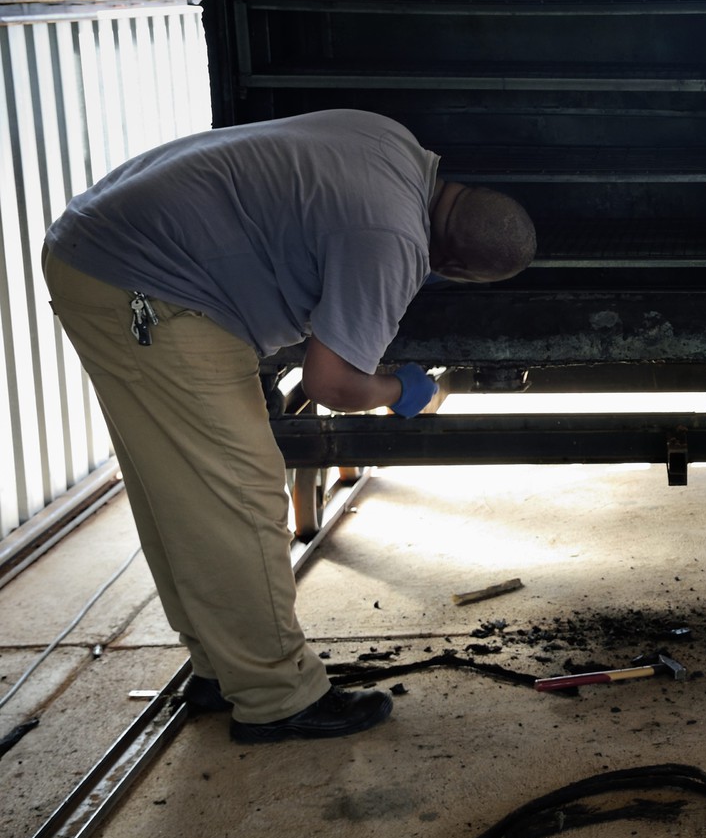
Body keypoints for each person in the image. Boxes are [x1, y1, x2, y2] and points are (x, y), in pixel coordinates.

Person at [41, 109, 538, 743]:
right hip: (150, 287)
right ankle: (278, 698)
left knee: (182, 491)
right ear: (456, 268)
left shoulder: (393, 142)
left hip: (101, 248)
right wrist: (402, 389)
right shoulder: (394, 240)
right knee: (240, 496)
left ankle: (224, 669)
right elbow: (329, 384)